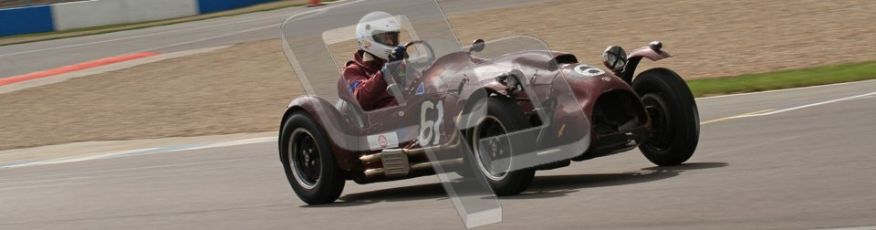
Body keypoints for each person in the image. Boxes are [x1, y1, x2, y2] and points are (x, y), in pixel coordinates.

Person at [343, 11, 407, 111]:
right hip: (382, 118)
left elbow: (416, 83)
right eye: (386, 39)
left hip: (406, 111)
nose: (392, 43)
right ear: (367, 40)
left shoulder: (391, 61)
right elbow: (361, 99)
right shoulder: (352, 70)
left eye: (393, 38)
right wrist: (386, 71)